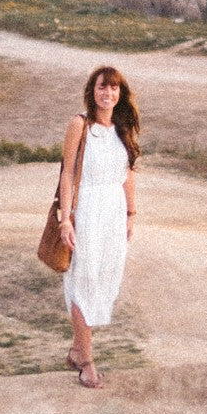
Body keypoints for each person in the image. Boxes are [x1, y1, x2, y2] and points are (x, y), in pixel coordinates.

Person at [58, 65, 139, 390]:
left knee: (104, 278)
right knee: (82, 279)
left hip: (114, 213)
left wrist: (131, 213)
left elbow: (129, 173)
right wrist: (66, 218)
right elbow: (67, 173)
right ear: (92, 91)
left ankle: (78, 349)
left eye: (114, 88)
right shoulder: (80, 125)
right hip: (87, 209)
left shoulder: (122, 129)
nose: (108, 94)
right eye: (102, 87)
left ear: (121, 93)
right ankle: (87, 362)